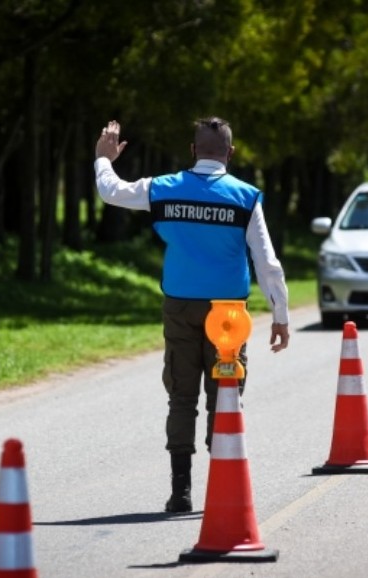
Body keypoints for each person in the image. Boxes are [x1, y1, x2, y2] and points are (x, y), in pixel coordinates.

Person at [93, 117, 290, 513]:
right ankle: (224, 485)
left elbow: (111, 191)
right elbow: (267, 262)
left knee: (182, 398)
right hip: (229, 315)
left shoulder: (164, 189)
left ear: (193, 149)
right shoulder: (246, 197)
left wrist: (103, 158)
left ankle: (180, 492)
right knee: (226, 398)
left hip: (180, 307)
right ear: (230, 154)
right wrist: (280, 314)